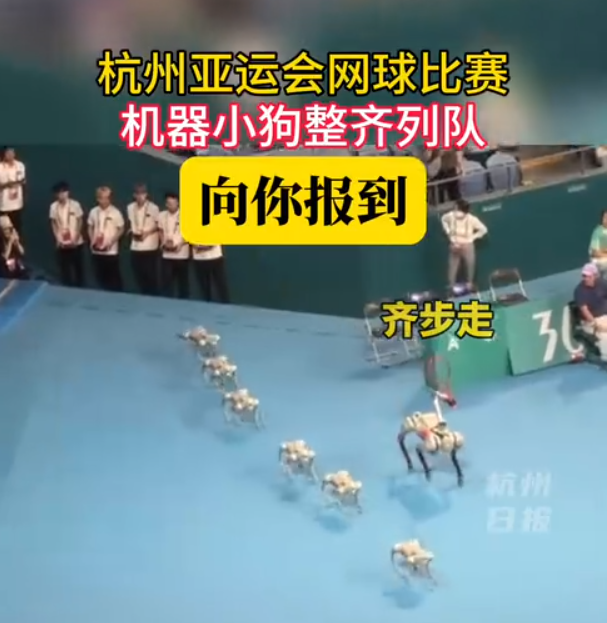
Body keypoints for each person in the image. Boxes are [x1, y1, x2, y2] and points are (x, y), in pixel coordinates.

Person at [441, 199, 488, 289]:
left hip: (467, 245)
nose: (456, 212)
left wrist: (472, 238)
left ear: (464, 211)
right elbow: (443, 219)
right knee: (452, 267)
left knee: (470, 265)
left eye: (458, 210)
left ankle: (470, 284)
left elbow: (484, 229)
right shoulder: (450, 216)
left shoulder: (472, 219)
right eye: (455, 209)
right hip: (454, 245)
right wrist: (448, 231)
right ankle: (451, 287)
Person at [87, 186, 124, 291]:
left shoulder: (115, 212)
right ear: (98, 199)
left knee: (114, 278)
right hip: (96, 251)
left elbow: (121, 229)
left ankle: (117, 295)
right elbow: (89, 226)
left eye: (107, 198)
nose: (105, 200)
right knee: (100, 277)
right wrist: (92, 240)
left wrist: (112, 242)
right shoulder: (93, 211)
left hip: (110, 252)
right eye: (102, 198)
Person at [49, 181, 85, 287]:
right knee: (65, 270)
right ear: (56, 194)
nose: (62, 195)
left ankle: (80, 288)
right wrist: (57, 238)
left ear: (68, 192)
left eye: (64, 192)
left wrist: (76, 238)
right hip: (62, 244)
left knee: (78, 269)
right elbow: (53, 223)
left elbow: (80, 221)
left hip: (76, 243)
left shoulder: (75, 205)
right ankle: (67, 289)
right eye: (59, 193)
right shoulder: (53, 207)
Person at [127, 183, 160, 295]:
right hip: (135, 246)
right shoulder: (130, 207)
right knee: (138, 273)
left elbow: (158, 224)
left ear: (146, 195)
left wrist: (147, 233)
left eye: (143, 193)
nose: (140, 196)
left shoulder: (153, 208)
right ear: (134, 195)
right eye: (138, 193)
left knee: (150, 274)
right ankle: (143, 295)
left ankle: (153, 296)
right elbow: (130, 222)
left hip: (150, 246)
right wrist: (132, 231)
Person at [158, 192, 189, 298]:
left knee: (183, 283)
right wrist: (163, 242)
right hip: (166, 255)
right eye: (168, 203)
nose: (170, 206)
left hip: (181, 255)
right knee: (166, 282)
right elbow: (160, 230)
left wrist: (180, 244)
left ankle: (184, 302)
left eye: (173, 203)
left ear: (178, 203)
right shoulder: (161, 215)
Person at [574, 262, 607, 361]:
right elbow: (584, 310)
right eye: (584, 276)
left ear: (595, 276)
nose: (586, 278)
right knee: (604, 334)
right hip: (590, 321)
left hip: (605, 316)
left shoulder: (602, 283)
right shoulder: (579, 291)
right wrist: (595, 324)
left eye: (588, 276)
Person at [0, 147, 26, 236]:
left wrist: (15, 183)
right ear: (4, 154)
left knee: (17, 230)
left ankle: (17, 244)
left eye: (12, 152)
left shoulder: (20, 165)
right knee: (4, 232)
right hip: (3, 206)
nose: (11, 155)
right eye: (8, 153)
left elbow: (22, 181)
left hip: (17, 205)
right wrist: (7, 184)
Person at [0, 215, 28, 279]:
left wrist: (17, 243)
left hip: (15, 267)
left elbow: (22, 253)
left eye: (10, 228)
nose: (8, 231)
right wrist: (10, 243)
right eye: (5, 229)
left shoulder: (13, 236)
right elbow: (3, 258)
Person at [588, 210, 607, 276]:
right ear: (602, 219)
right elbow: (595, 253)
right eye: (605, 217)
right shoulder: (597, 232)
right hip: (599, 260)